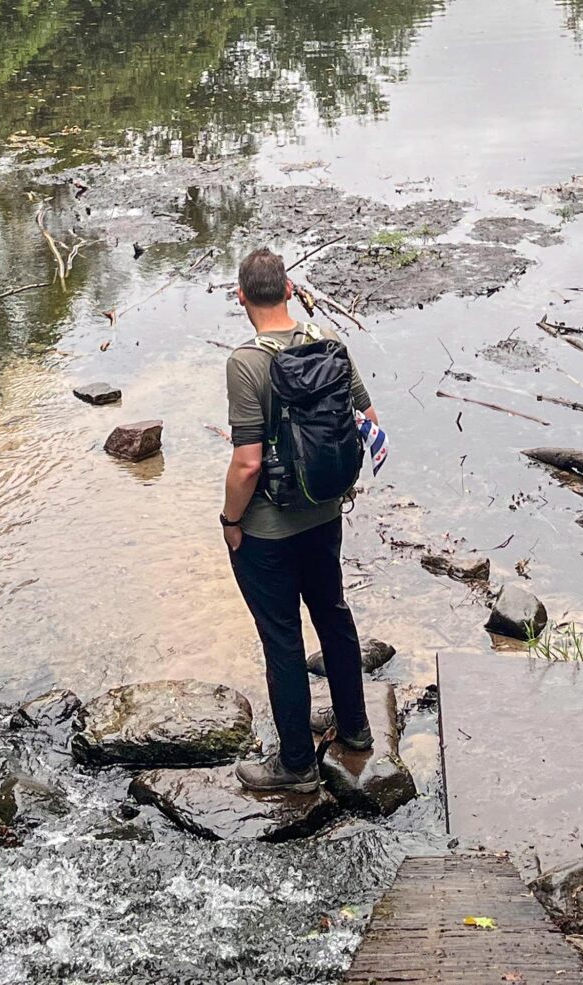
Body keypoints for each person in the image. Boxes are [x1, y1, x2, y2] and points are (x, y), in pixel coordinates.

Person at [220, 247, 376, 792]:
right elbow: (368, 421)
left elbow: (247, 462)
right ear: (289, 290)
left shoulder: (245, 363)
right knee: (333, 615)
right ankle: (355, 730)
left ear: (242, 298)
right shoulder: (327, 344)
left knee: (282, 638)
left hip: (268, 529)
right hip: (326, 512)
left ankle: (295, 766)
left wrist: (230, 521)